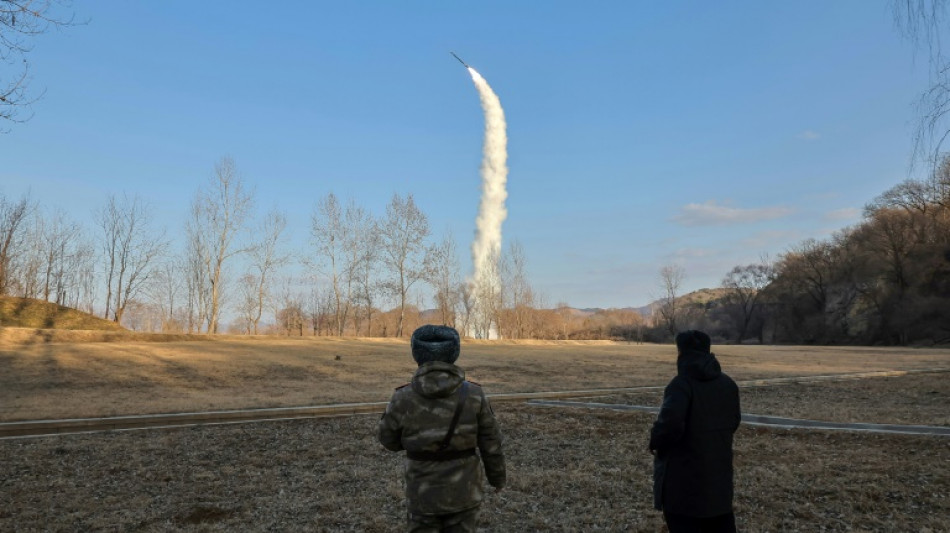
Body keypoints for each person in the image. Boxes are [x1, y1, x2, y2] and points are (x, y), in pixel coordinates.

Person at [378, 324, 506, 533]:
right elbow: (491, 443)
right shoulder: (474, 394)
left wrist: (419, 441)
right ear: (454, 352)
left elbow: (388, 440)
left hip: (421, 493)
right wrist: (497, 478)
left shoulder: (403, 396)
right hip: (465, 491)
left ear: (416, 353)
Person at [649, 330, 741, 533]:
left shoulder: (681, 385)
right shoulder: (728, 385)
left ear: (681, 353)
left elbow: (669, 425)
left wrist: (655, 440)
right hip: (720, 481)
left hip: (682, 486)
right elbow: (734, 422)